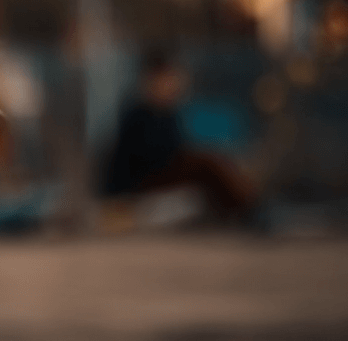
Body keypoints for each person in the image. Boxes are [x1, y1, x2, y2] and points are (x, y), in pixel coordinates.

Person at [102, 44, 257, 224]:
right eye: (170, 78)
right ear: (154, 78)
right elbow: (154, 159)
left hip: (157, 180)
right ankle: (250, 208)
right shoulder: (139, 114)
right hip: (138, 188)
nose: (176, 84)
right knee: (207, 164)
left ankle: (246, 205)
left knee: (213, 164)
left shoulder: (166, 113)